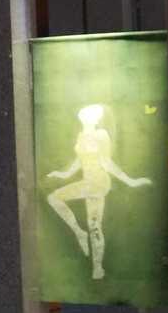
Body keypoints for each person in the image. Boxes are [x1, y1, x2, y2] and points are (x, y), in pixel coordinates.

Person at [46, 103, 152, 282]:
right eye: (87, 115)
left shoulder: (101, 135)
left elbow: (107, 162)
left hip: (98, 182)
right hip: (88, 182)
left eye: (93, 116)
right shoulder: (81, 135)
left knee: (85, 220)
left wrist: (130, 181)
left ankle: (95, 263)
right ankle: (94, 261)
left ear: (96, 119)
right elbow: (79, 161)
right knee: (93, 225)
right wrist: (63, 174)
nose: (89, 118)